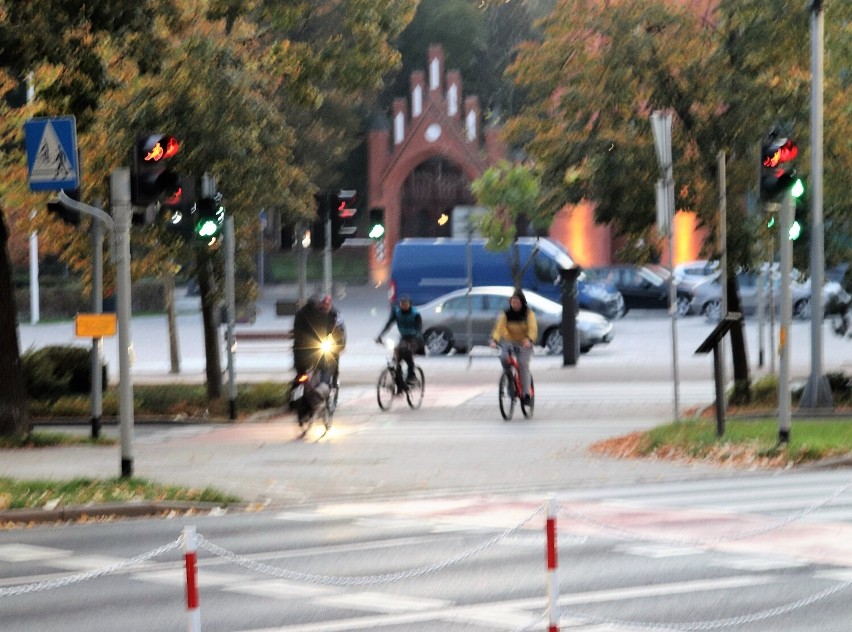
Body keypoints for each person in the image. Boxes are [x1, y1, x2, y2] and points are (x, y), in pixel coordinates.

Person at [489, 290, 537, 405]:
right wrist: (494, 340)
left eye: (517, 301)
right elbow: (498, 329)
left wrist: (529, 339)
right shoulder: (506, 314)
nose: (514, 304)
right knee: (504, 358)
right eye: (512, 301)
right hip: (510, 342)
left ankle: (526, 394)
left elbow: (533, 328)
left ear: (522, 302)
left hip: (525, 342)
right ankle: (510, 383)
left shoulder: (528, 313)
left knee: (522, 364)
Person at [292, 293, 346, 383]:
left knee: (301, 372)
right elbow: (334, 331)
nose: (324, 306)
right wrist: (340, 345)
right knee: (324, 366)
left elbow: (337, 330)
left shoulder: (301, 313)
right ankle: (326, 383)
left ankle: (298, 385)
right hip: (313, 349)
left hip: (301, 351)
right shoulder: (322, 315)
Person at [375, 294, 424, 386]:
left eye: (406, 303)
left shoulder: (415, 314)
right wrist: (380, 336)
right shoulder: (397, 313)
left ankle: (411, 376)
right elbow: (388, 325)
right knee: (396, 358)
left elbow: (419, 329)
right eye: (402, 303)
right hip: (403, 339)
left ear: (410, 304)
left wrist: (416, 339)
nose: (403, 305)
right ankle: (399, 383)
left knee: (408, 356)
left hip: (414, 339)